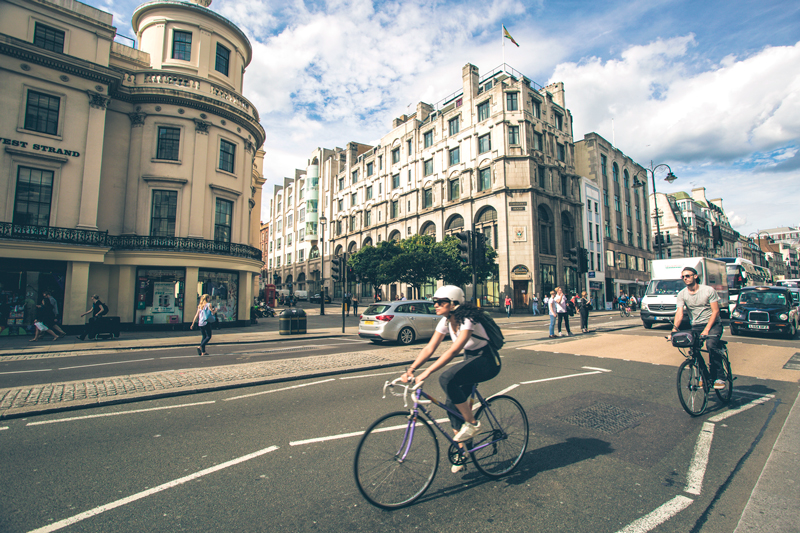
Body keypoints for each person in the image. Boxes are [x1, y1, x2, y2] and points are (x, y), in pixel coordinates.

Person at [401, 285, 500, 474]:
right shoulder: (445, 322)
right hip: (470, 360)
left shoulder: (468, 319)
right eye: (435, 302)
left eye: (441, 302)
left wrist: (426, 373)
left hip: (487, 360)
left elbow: (454, 350)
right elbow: (430, 348)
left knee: (446, 378)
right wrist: (412, 369)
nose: (436, 305)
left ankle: (472, 424)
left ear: (453, 304)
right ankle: (464, 451)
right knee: (451, 404)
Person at [667, 266, 725, 390]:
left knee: (711, 346)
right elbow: (679, 313)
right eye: (683, 277)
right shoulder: (682, 294)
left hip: (713, 324)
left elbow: (716, 311)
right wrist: (674, 330)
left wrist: (707, 330)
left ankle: (719, 377)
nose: (685, 278)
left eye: (687, 276)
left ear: (695, 276)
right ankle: (704, 376)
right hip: (696, 325)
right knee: (693, 351)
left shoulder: (708, 290)